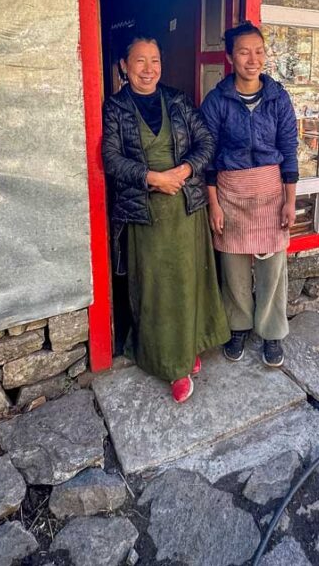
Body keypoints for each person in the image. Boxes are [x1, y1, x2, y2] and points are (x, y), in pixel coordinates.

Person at [102, 36, 230, 403]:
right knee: (157, 289)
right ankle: (171, 364)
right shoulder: (116, 108)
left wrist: (185, 170)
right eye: (139, 61)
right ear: (124, 66)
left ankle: (189, 347)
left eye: (154, 60)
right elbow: (111, 159)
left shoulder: (177, 101)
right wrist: (153, 177)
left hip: (186, 209)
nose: (148, 68)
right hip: (146, 214)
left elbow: (206, 143)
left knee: (188, 282)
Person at [200, 22, 298, 367]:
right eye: (243, 51)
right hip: (231, 194)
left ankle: (272, 332)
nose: (252, 59)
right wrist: (213, 204)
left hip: (271, 192)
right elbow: (207, 156)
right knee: (234, 268)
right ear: (230, 57)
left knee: (273, 269)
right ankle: (238, 326)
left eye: (258, 51)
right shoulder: (216, 101)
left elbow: (289, 149)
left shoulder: (277, 98)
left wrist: (290, 199)